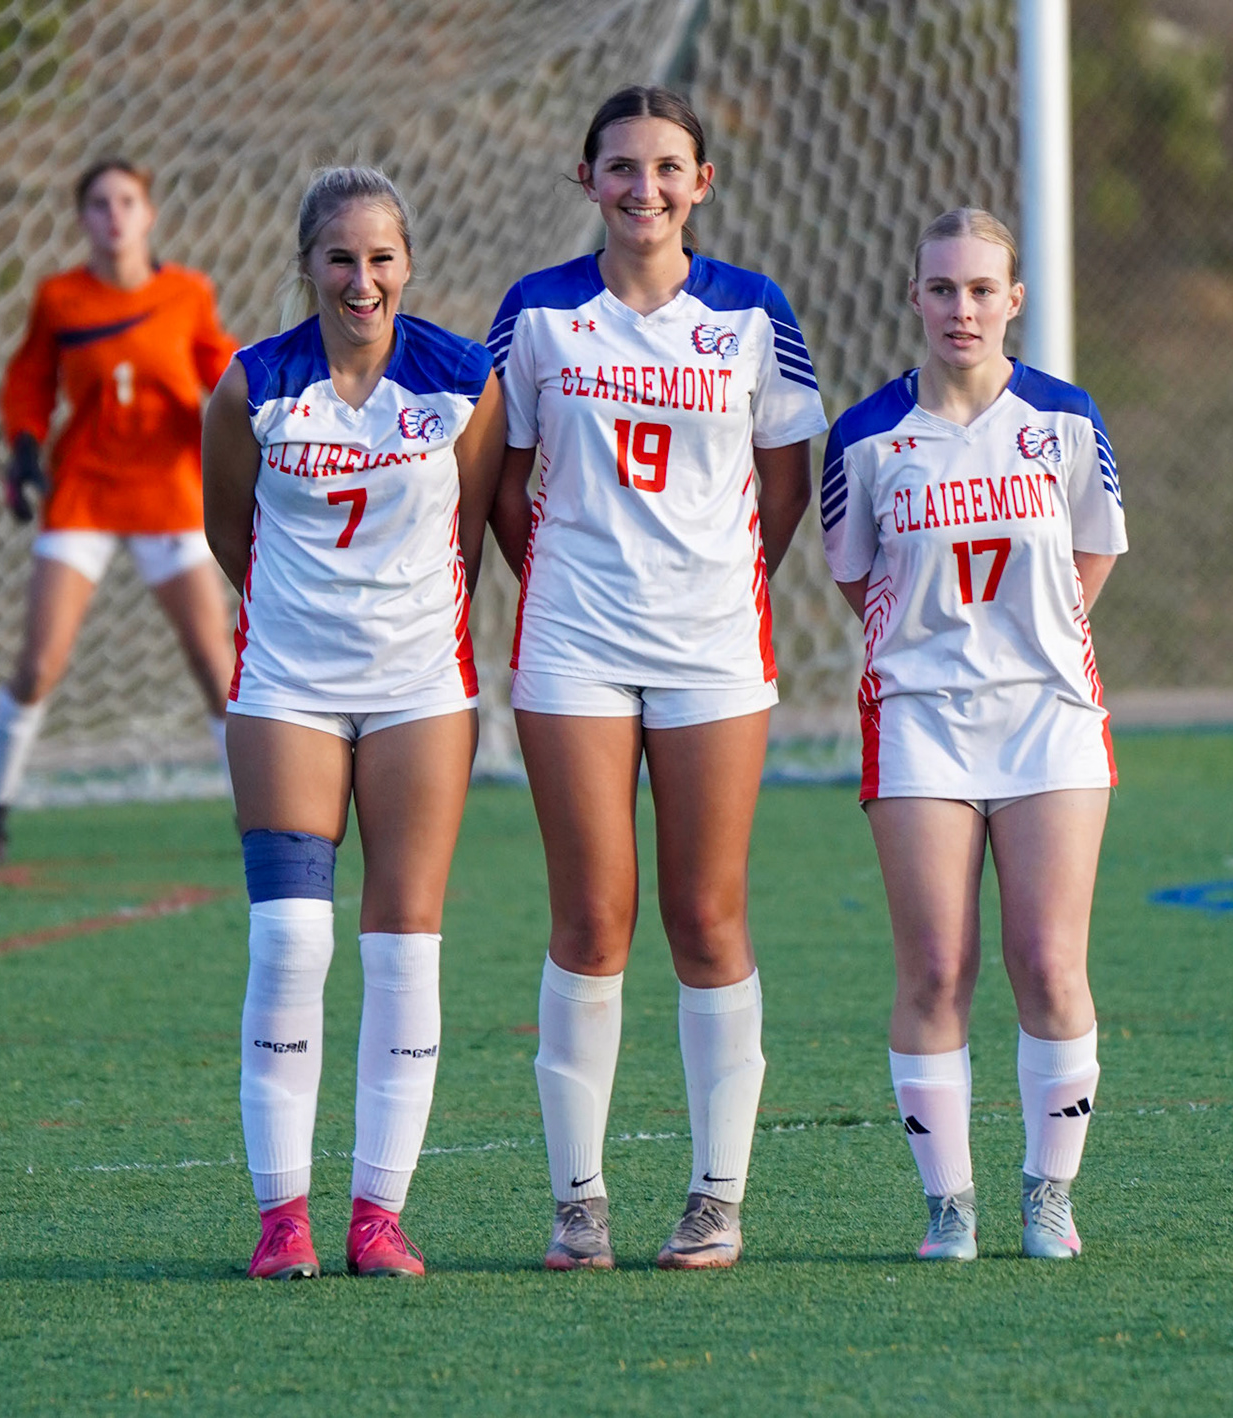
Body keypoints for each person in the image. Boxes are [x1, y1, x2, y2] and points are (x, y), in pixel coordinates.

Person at [486, 85, 826, 1271]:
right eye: (621, 167)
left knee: (707, 912)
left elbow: (785, 484)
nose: (645, 188)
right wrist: (562, 584)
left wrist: (718, 581)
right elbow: (499, 479)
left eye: (668, 167)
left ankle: (714, 1196)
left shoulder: (753, 313)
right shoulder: (534, 312)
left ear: (703, 183)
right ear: (588, 181)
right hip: (572, 643)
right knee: (591, 914)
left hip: (713, 648)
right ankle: (578, 1201)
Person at [202, 166, 504, 1280]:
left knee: (401, 945)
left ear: (408, 264)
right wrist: (307, 626)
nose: (362, 279)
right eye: (340, 257)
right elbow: (224, 528)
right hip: (286, 684)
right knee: (291, 937)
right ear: (307, 265)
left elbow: (469, 528)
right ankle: (283, 1219)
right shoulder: (251, 386)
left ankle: (380, 1213)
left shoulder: (464, 379)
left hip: (423, 686)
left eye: (381, 258)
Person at [820, 207, 1126, 1262]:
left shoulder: (1066, 420)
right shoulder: (866, 437)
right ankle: (949, 1203)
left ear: (1015, 299)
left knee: (1047, 961)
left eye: (981, 288)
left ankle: (1050, 1192)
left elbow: (1091, 555)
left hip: (1049, 716)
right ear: (913, 297)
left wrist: (1024, 641)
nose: (961, 307)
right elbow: (859, 577)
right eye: (942, 288)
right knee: (938, 966)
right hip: (919, 720)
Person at [0, 159, 237, 862]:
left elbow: (226, 370)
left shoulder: (186, 293)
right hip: (83, 497)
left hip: (169, 499)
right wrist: (23, 447)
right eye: (97, 204)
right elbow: (28, 381)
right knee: (37, 666)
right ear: (81, 217)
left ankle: (263, 821)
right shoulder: (60, 299)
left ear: (149, 214)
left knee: (217, 664)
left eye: (125, 201)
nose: (112, 215)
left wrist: (267, 409)